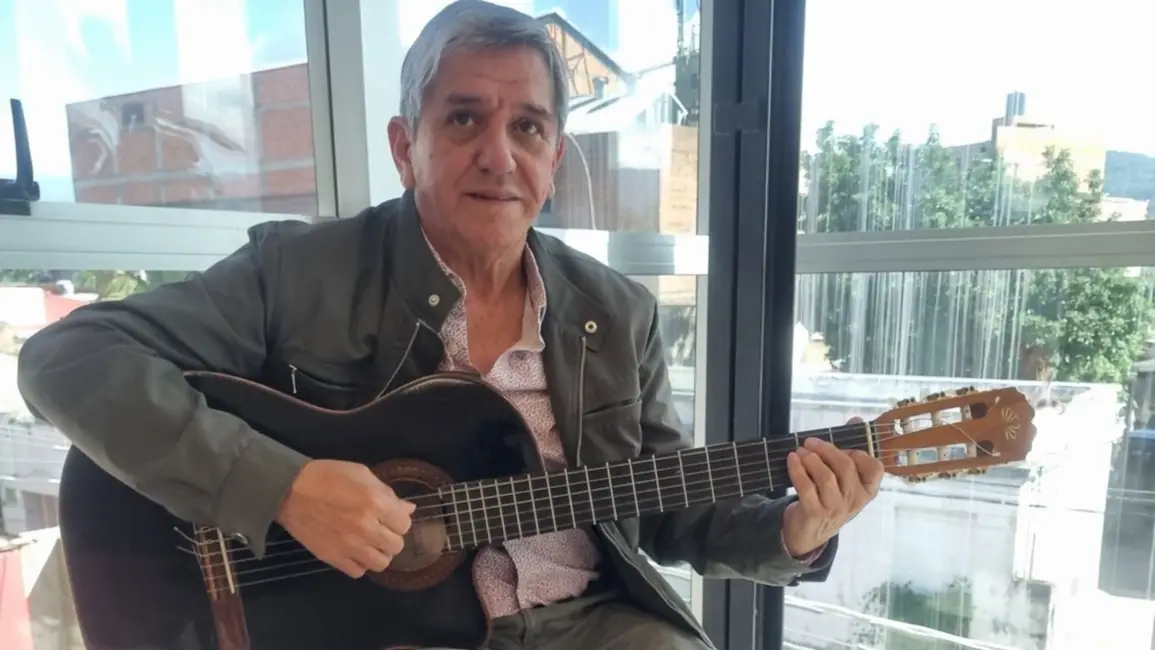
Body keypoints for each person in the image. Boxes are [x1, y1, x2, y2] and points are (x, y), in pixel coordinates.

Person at [16, 1, 884, 649]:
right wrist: (282, 487)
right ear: (406, 146)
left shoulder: (618, 313)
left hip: (586, 623)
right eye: (464, 118)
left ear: (552, 160)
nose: (498, 155)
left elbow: (665, 512)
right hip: (376, 631)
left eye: (527, 127)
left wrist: (791, 532)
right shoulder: (300, 272)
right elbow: (69, 356)